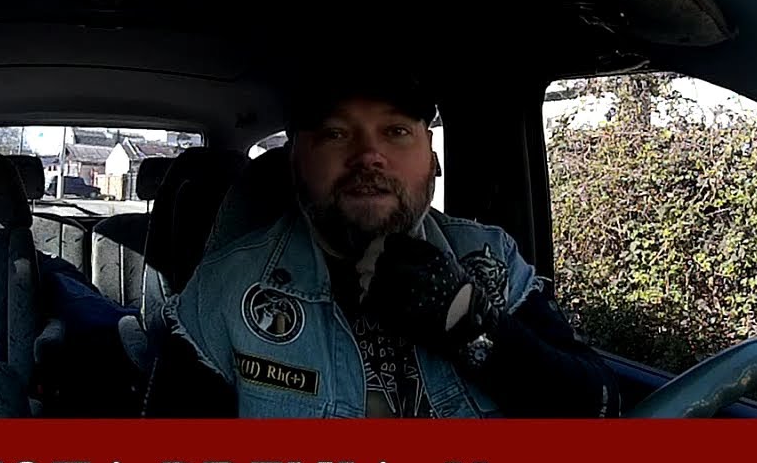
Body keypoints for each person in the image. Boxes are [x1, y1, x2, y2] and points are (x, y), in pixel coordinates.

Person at [144, 83, 621, 418]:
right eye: (335, 133)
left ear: (431, 156)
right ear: (297, 162)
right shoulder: (225, 291)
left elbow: (599, 409)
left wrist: (467, 323)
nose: (369, 155)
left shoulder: (490, 258)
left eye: (395, 131)